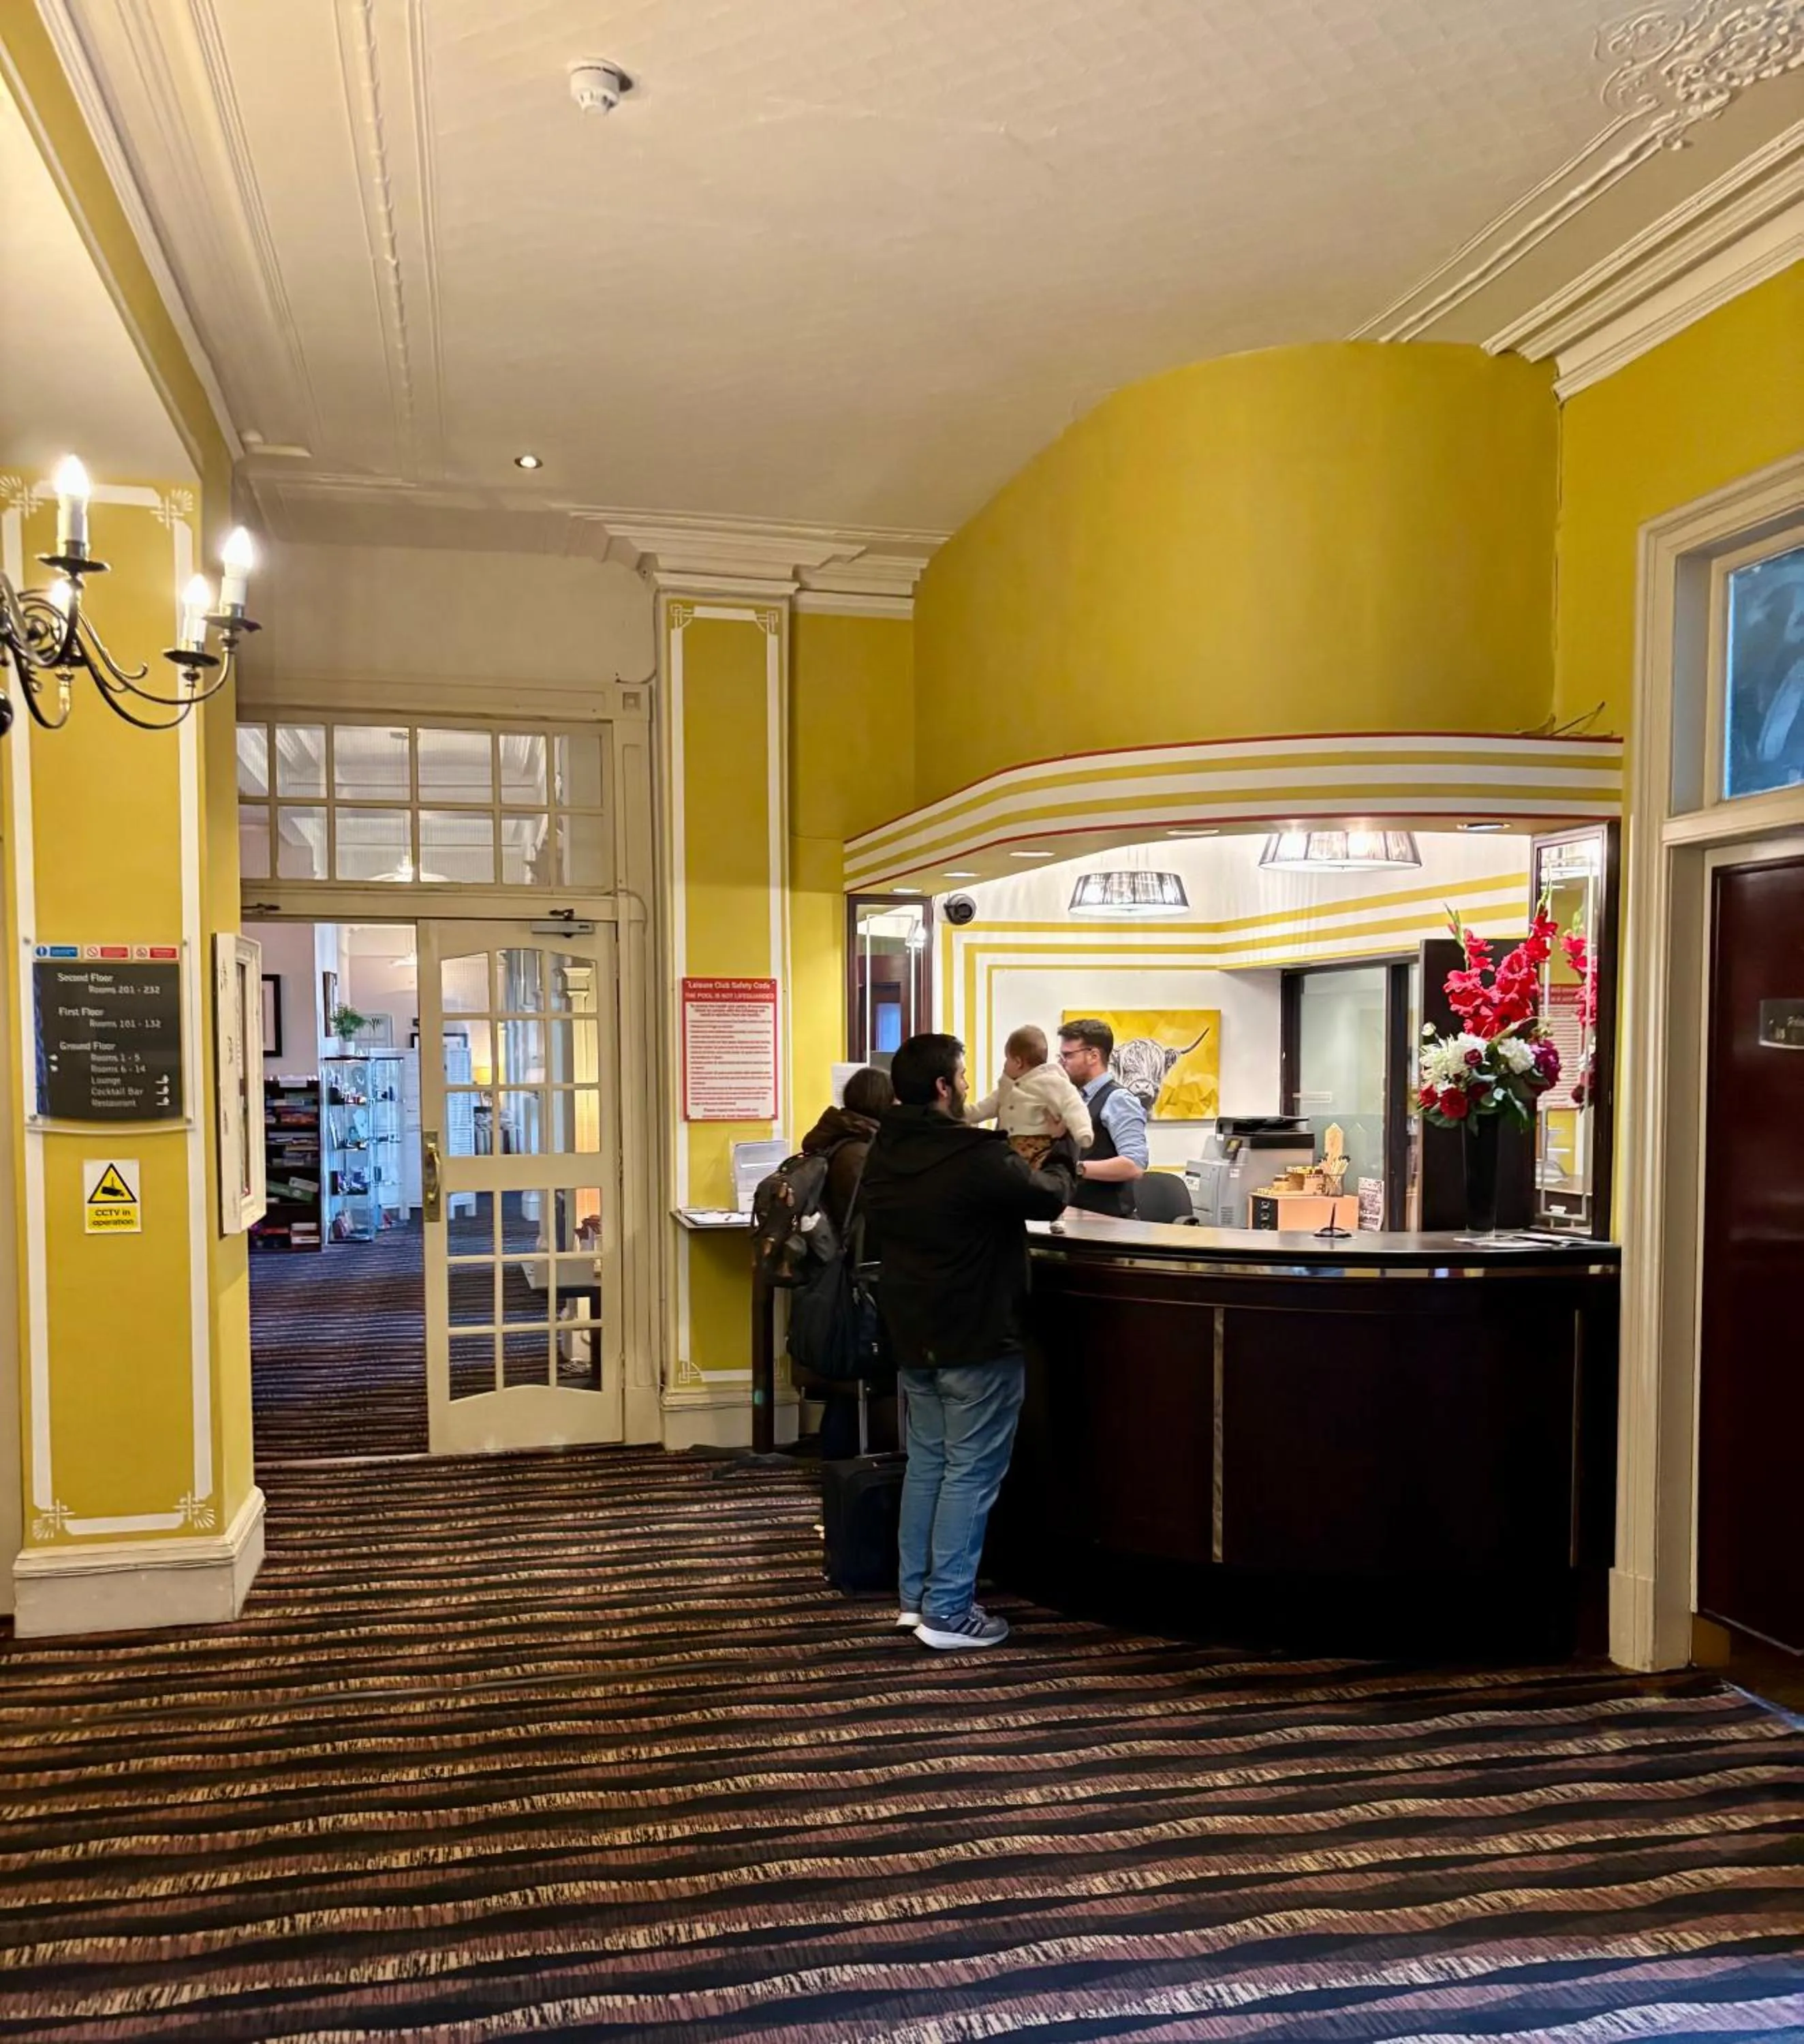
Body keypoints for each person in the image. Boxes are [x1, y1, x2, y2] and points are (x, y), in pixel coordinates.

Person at [860, 1032, 1077, 1650]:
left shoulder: (885, 1152)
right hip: (978, 1335)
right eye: (960, 1076)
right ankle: (949, 1612)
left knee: (928, 1464)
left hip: (914, 1333)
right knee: (970, 1473)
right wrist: (1061, 1152)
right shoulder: (973, 1155)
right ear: (942, 1087)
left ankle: (915, 1598)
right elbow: (1047, 1197)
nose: (965, 1085)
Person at [796, 1065, 895, 1457]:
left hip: (830, 1273)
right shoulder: (861, 1153)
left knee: (846, 1373)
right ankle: (847, 1466)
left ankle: (836, 1458)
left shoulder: (832, 1141)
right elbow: (877, 1216)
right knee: (867, 1371)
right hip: (860, 1280)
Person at [1056, 1019, 1149, 1218]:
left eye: (1068, 1055)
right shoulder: (1076, 1099)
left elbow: (1134, 1165)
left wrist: (1077, 1168)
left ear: (1093, 1056)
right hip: (1078, 1218)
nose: (1062, 1062)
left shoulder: (1118, 1100)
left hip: (1109, 1226)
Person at [964, 1023, 1093, 1166]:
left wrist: (1082, 1131)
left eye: (1007, 1059)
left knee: (1035, 1179)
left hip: (1039, 1145)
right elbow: (982, 1109)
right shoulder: (1006, 1089)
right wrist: (957, 1112)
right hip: (1010, 1147)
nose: (1005, 1065)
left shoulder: (1051, 1082)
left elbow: (1073, 1105)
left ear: (1018, 1062)